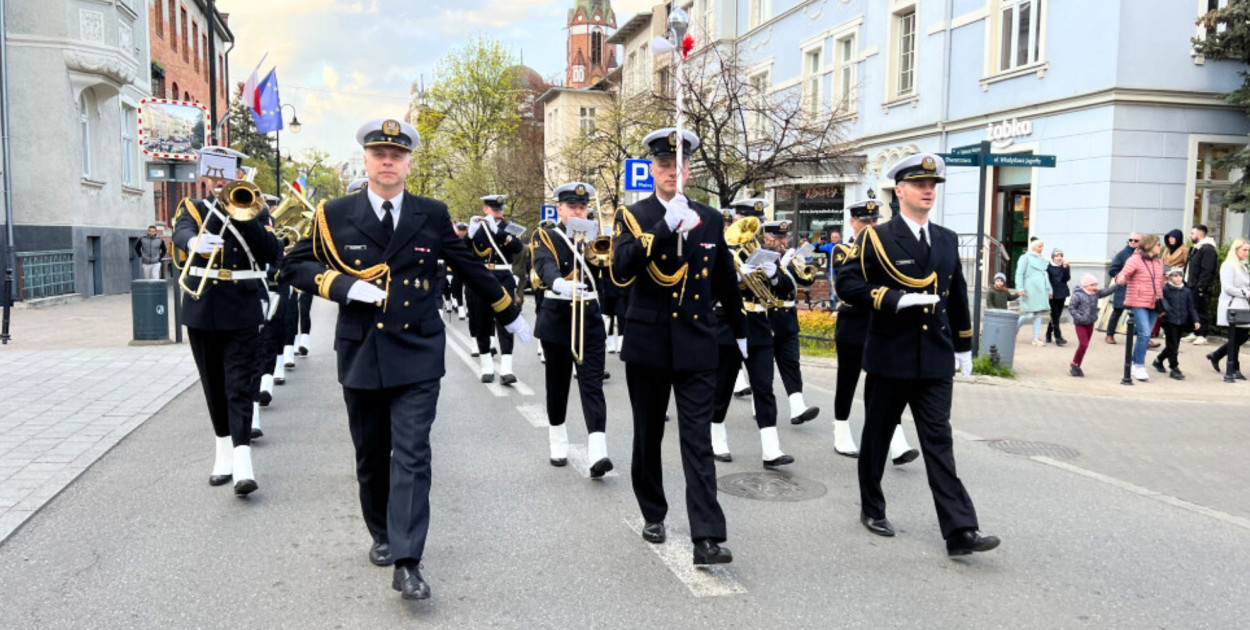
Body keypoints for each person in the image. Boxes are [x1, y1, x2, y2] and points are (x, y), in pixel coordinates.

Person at [282, 118, 532, 601]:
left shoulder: (430, 213)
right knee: (372, 454)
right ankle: (381, 531)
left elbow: (468, 265)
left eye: (396, 155)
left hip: (418, 350)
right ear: (366, 160)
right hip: (362, 350)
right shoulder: (334, 213)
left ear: (409, 164)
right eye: (379, 154)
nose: (388, 161)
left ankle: (408, 559)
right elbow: (293, 265)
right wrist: (342, 285)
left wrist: (509, 311)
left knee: (413, 454)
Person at [836, 153, 999, 556]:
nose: (928, 191)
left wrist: (963, 345)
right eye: (920, 185)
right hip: (891, 354)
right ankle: (872, 508)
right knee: (877, 437)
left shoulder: (945, 238)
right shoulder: (876, 238)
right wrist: (893, 299)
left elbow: (956, 293)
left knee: (939, 441)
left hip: (934, 357)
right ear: (900, 190)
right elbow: (848, 284)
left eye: (932, 185)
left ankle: (960, 529)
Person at [613, 127, 745, 565]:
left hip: (696, 339)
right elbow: (621, 268)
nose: (673, 172)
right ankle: (653, 512)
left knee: (697, 439)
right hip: (649, 341)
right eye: (665, 165)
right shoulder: (634, 215)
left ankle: (706, 536)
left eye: (680, 165)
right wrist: (664, 227)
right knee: (648, 433)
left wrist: (740, 329)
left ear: (689, 170)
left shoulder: (709, 217)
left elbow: (724, 275)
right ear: (652, 169)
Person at [173, 146, 282, 496]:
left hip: (242, 305)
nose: (219, 179)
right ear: (204, 175)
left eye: (226, 171)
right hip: (203, 305)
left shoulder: (254, 207)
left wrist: (244, 217)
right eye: (212, 171)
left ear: (238, 174)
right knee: (213, 383)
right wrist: (194, 242)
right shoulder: (193, 207)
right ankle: (223, 452)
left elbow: (272, 252)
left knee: (240, 383)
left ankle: (243, 460)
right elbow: (180, 232)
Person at [531, 182, 613, 477]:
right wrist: (558, 283)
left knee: (592, 384)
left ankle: (598, 452)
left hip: (589, 318)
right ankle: (558, 440)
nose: (579, 212)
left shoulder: (594, 237)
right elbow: (544, 264)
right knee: (558, 384)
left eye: (583, 207)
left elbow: (609, 273)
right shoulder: (546, 235)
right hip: (558, 317)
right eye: (573, 207)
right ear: (560, 210)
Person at [830, 199, 919, 463]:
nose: (870, 225)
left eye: (874, 221)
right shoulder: (843, 250)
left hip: (878, 323)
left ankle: (896, 441)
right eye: (864, 221)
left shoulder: (885, 250)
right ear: (852, 223)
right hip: (852, 323)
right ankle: (841, 430)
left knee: (885, 382)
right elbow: (848, 286)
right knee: (847, 380)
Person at [709, 202, 794, 467]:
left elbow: (787, 289)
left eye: (755, 219)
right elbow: (707, 288)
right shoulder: (721, 251)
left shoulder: (763, 252)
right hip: (728, 325)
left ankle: (771, 449)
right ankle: (716, 438)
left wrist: (775, 275)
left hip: (759, 327)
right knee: (722, 387)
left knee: (764, 387)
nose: (749, 226)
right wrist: (733, 279)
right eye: (744, 218)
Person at [764, 218, 820, 425]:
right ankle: (758, 405)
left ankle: (798, 407)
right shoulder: (761, 257)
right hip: (767, 318)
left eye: (784, 237)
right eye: (778, 237)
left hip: (787, 319)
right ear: (766, 237)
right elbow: (773, 286)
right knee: (764, 368)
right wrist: (780, 268)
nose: (783, 241)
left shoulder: (787, 257)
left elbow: (806, 280)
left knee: (791, 363)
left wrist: (801, 263)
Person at [468, 194, 525, 384]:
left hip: (503, 277)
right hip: (482, 278)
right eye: (494, 210)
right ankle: (487, 366)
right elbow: (464, 253)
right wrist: (469, 235)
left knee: (506, 321)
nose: (498, 213)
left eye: (500, 209)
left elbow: (518, 248)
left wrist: (499, 232)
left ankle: (507, 369)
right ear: (485, 210)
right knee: (482, 321)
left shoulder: (509, 227)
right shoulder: (477, 227)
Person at [1114, 234, 1166, 382]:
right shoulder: (1134, 259)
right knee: (1144, 333)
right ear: (1150, 245)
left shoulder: (1159, 262)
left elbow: (1159, 282)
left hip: (1155, 302)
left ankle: (1133, 362)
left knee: (1146, 335)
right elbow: (1122, 275)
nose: (1160, 247)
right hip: (1138, 301)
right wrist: (1121, 279)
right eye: (1158, 244)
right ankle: (1139, 366)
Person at [1206, 238, 1250, 382]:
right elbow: (1227, 287)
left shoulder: (1243, 266)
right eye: (1244, 250)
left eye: (1248, 250)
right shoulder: (1228, 265)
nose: (1247, 253)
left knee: (1241, 335)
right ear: (1236, 250)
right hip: (1232, 305)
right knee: (1236, 335)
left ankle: (1217, 355)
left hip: (1242, 305)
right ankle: (1233, 368)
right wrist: (1245, 293)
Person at [1152, 269, 1201, 380]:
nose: (1178, 278)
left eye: (1180, 276)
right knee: (1173, 345)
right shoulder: (1165, 290)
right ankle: (1174, 368)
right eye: (1175, 276)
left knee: (1173, 345)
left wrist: (1196, 320)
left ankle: (1159, 360)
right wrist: (1164, 315)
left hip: (1181, 321)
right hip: (1169, 321)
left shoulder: (1186, 291)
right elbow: (1161, 304)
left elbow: (1191, 307)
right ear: (1170, 277)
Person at [1067, 274, 1118, 377]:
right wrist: (1079, 317)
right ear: (1085, 285)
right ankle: (1073, 364)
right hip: (1080, 324)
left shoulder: (1095, 294)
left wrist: (1118, 284)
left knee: (1085, 346)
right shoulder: (1077, 295)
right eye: (1092, 285)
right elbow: (1071, 308)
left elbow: (1107, 291)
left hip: (1090, 323)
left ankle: (1077, 365)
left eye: (1095, 285)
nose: (1094, 287)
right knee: (1083, 344)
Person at [1185, 224, 1219, 346]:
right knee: (1193, 309)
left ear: (1200, 234)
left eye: (1192, 233)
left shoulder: (1208, 249)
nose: (1190, 236)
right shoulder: (1197, 248)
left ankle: (1202, 335)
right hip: (1191, 284)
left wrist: (1201, 286)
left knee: (1201, 310)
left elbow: (1207, 269)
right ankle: (1195, 332)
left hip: (1199, 286)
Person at [1015, 237, 1051, 346]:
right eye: (1039, 246)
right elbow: (1019, 273)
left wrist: (1049, 290)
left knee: (1038, 314)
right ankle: (1014, 328)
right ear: (1034, 247)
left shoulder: (1042, 260)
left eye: (1042, 246)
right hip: (1029, 289)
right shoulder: (1025, 258)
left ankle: (1036, 337)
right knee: (1030, 314)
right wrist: (1020, 288)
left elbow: (1045, 276)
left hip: (1041, 290)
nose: (1041, 248)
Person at [1105, 232, 1141, 344]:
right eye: (1131, 240)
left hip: (1138, 288)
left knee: (1140, 313)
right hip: (1124, 287)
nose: (1133, 242)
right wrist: (1121, 277)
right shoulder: (1122, 254)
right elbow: (1112, 270)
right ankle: (1109, 334)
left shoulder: (1144, 254)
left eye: (1136, 240)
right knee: (1117, 311)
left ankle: (1145, 338)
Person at [1045, 248, 1071, 346]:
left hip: (1062, 293)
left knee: (1056, 315)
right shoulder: (1048, 267)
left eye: (1061, 256)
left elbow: (1066, 279)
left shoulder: (1064, 266)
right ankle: (1058, 337)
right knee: (1055, 316)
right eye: (1056, 256)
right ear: (1053, 257)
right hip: (1052, 294)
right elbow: (1046, 281)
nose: (1059, 258)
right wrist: (1047, 292)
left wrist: (1065, 268)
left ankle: (1048, 333)